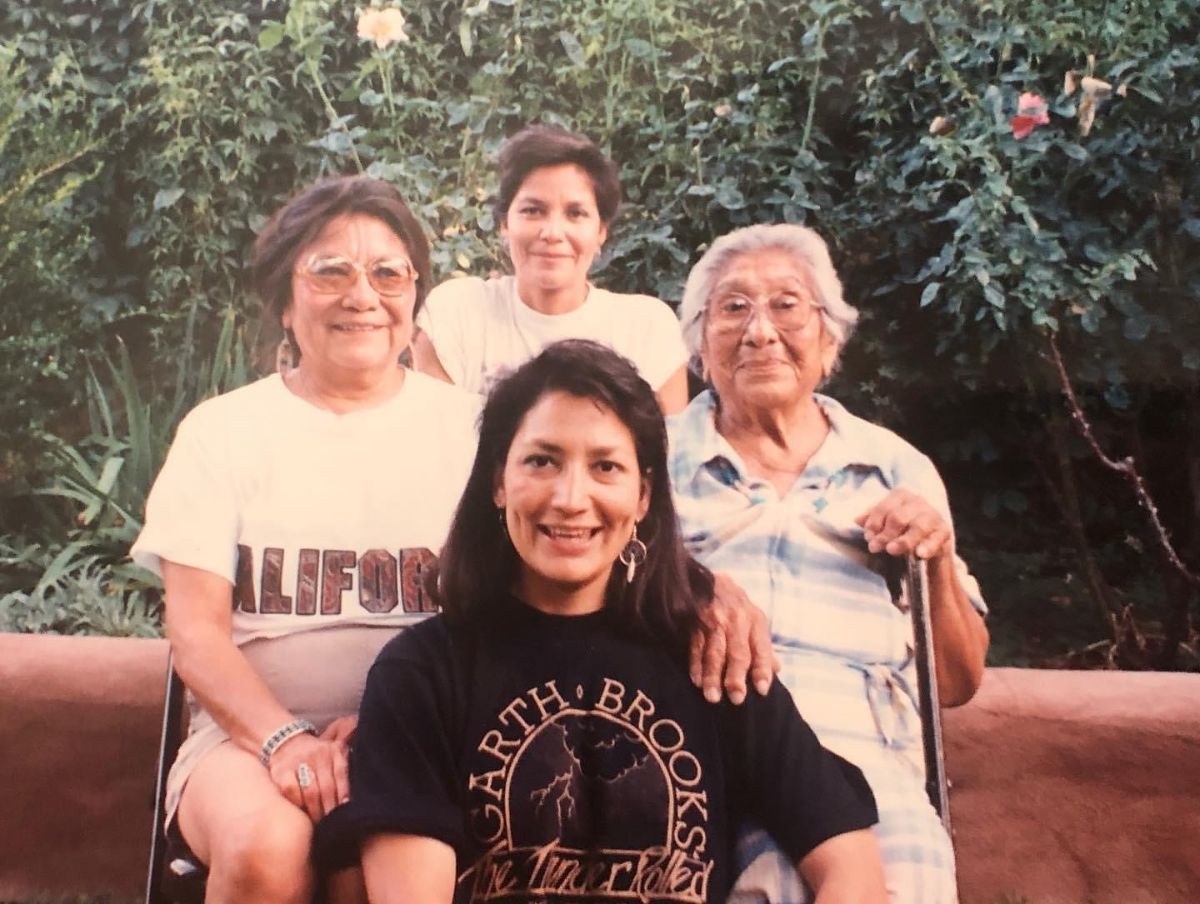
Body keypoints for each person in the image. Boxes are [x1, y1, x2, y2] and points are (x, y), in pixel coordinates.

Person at [316, 340, 887, 904]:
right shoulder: (422, 672)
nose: (570, 498)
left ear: (643, 496)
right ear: (498, 482)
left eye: (605, 467)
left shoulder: (712, 656)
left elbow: (852, 871)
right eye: (542, 461)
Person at [131, 175, 482, 903]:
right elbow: (195, 633)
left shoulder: (473, 431)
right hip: (241, 740)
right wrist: (283, 740)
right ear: (286, 302)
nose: (363, 295)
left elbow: (512, 611)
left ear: (415, 296)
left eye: (388, 273)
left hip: (427, 731)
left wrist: (396, 719)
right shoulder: (223, 431)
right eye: (331, 271)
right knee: (269, 847)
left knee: (374, 860)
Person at [668, 224, 990, 904]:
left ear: (830, 339)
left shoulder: (897, 467)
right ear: (698, 347)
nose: (760, 331)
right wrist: (689, 585)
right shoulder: (649, 460)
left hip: (865, 750)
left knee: (904, 873)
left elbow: (957, 682)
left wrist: (934, 562)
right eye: (732, 308)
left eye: (787, 304)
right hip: (702, 741)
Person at [412, 124, 689, 413]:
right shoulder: (458, 313)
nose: (553, 233)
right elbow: (440, 445)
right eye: (533, 211)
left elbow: (662, 454)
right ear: (505, 223)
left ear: (601, 231)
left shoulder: (645, 329)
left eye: (575, 213)